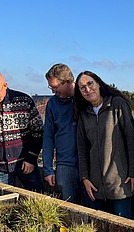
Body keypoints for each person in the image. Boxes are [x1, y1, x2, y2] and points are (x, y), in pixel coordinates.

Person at [74, 71, 134, 219]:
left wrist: (133, 173)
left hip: (119, 182)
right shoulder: (84, 114)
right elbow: (82, 148)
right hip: (94, 185)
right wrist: (85, 178)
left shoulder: (117, 104)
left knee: (123, 228)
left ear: (98, 83)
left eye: (90, 84)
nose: (87, 89)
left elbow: (131, 139)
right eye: (82, 87)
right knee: (99, 228)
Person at [43, 64, 81, 203]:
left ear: (68, 82)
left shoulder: (85, 97)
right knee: (69, 207)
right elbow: (48, 137)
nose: (53, 91)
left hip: (88, 163)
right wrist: (48, 169)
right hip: (65, 165)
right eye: (51, 87)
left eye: (55, 87)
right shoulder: (52, 104)